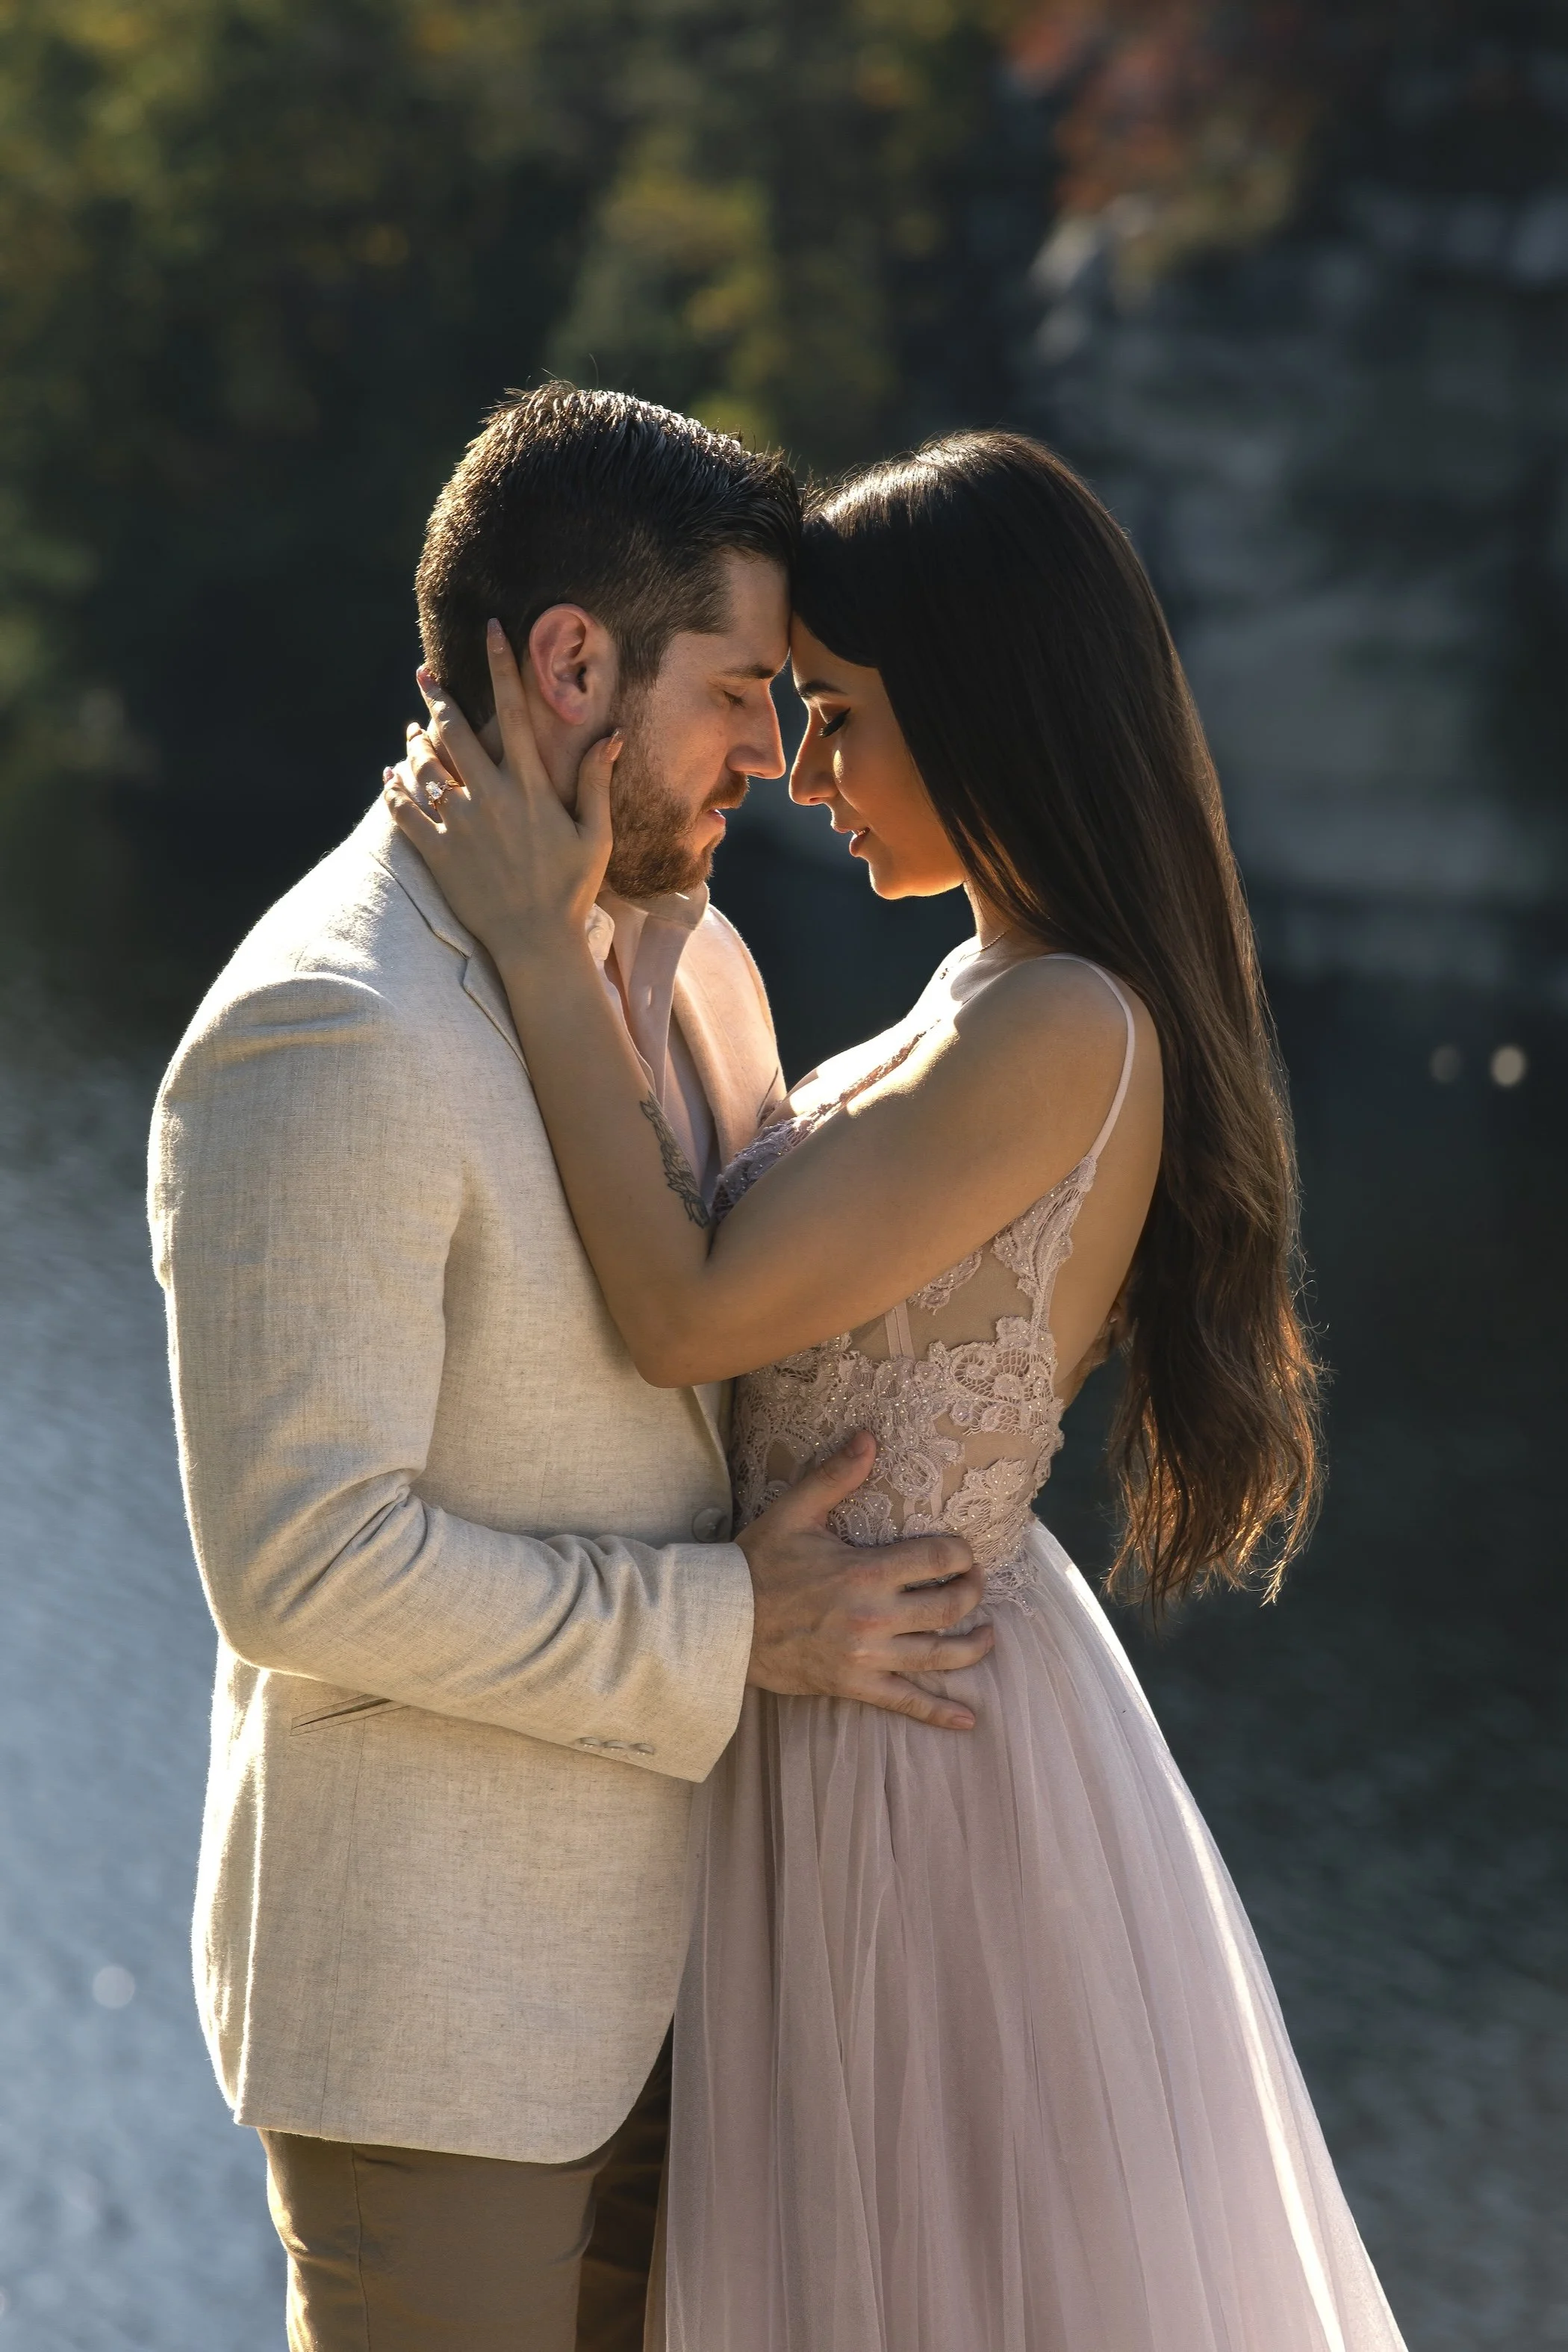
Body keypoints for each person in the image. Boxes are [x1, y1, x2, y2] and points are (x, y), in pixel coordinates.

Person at [386, 428, 1410, 2351]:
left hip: (910, 1766)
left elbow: (692, 1313)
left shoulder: (1065, 1025)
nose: (806, 766)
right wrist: (642, 935)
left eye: (843, 716)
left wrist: (539, 941)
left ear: (985, 704)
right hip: (825, 1701)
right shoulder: (982, 987)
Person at [148, 385, 992, 2352]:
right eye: (737, 691)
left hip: (707, 1983)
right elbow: (303, 1563)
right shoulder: (323, 1028)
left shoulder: (700, 964)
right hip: (443, 2025)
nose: (773, 758)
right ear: (569, 662)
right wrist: (733, 1628)